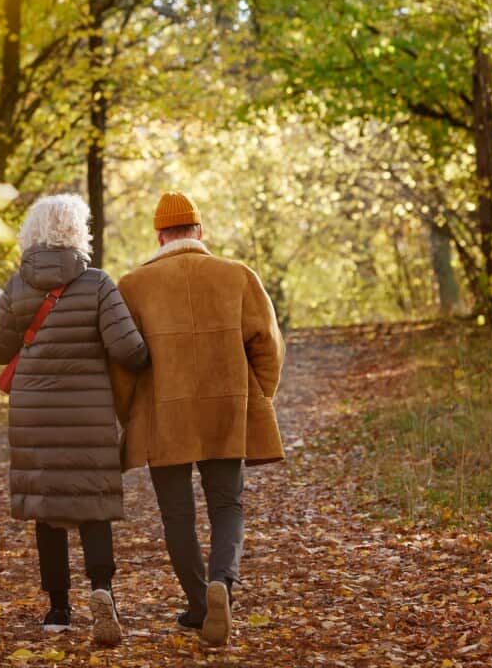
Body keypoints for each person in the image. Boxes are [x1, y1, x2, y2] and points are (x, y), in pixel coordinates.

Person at [113, 191, 286, 646]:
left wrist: (127, 413)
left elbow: (121, 363)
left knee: (177, 515)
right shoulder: (238, 276)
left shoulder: (132, 286)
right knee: (227, 504)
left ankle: (196, 602)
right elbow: (268, 345)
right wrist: (255, 397)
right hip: (226, 410)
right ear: (199, 232)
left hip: (161, 416)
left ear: (159, 235)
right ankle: (222, 584)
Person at [0, 194, 149, 646]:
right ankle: (102, 590)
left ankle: (57, 607)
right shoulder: (97, 284)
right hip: (88, 414)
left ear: (32, 233)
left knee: (47, 507)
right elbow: (130, 351)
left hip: (34, 414)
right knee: (92, 503)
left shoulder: (18, 285)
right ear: (79, 232)